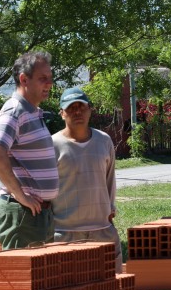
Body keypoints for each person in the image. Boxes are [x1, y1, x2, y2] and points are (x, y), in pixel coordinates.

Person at [0, 51, 59, 250]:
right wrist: (20, 195)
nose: (49, 84)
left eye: (50, 78)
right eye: (43, 79)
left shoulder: (32, 112)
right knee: (25, 279)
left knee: (44, 277)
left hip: (37, 215)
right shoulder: (15, 111)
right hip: (23, 216)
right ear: (24, 79)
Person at [52, 87, 123, 273]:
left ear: (90, 110)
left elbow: (109, 180)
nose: (77, 112)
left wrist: (110, 209)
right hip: (65, 235)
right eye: (71, 108)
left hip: (102, 231)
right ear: (62, 113)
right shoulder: (52, 145)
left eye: (82, 107)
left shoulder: (104, 141)